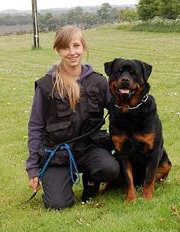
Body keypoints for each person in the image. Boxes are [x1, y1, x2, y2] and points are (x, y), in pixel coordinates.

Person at [26, 25, 119, 209]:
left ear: (83, 47)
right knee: (57, 204)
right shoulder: (46, 86)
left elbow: (119, 111)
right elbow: (35, 126)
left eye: (76, 46)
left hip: (89, 149)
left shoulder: (99, 82)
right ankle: (58, 180)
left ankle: (91, 182)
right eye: (65, 47)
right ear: (58, 50)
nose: (72, 52)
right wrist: (32, 168)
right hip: (57, 152)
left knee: (111, 169)